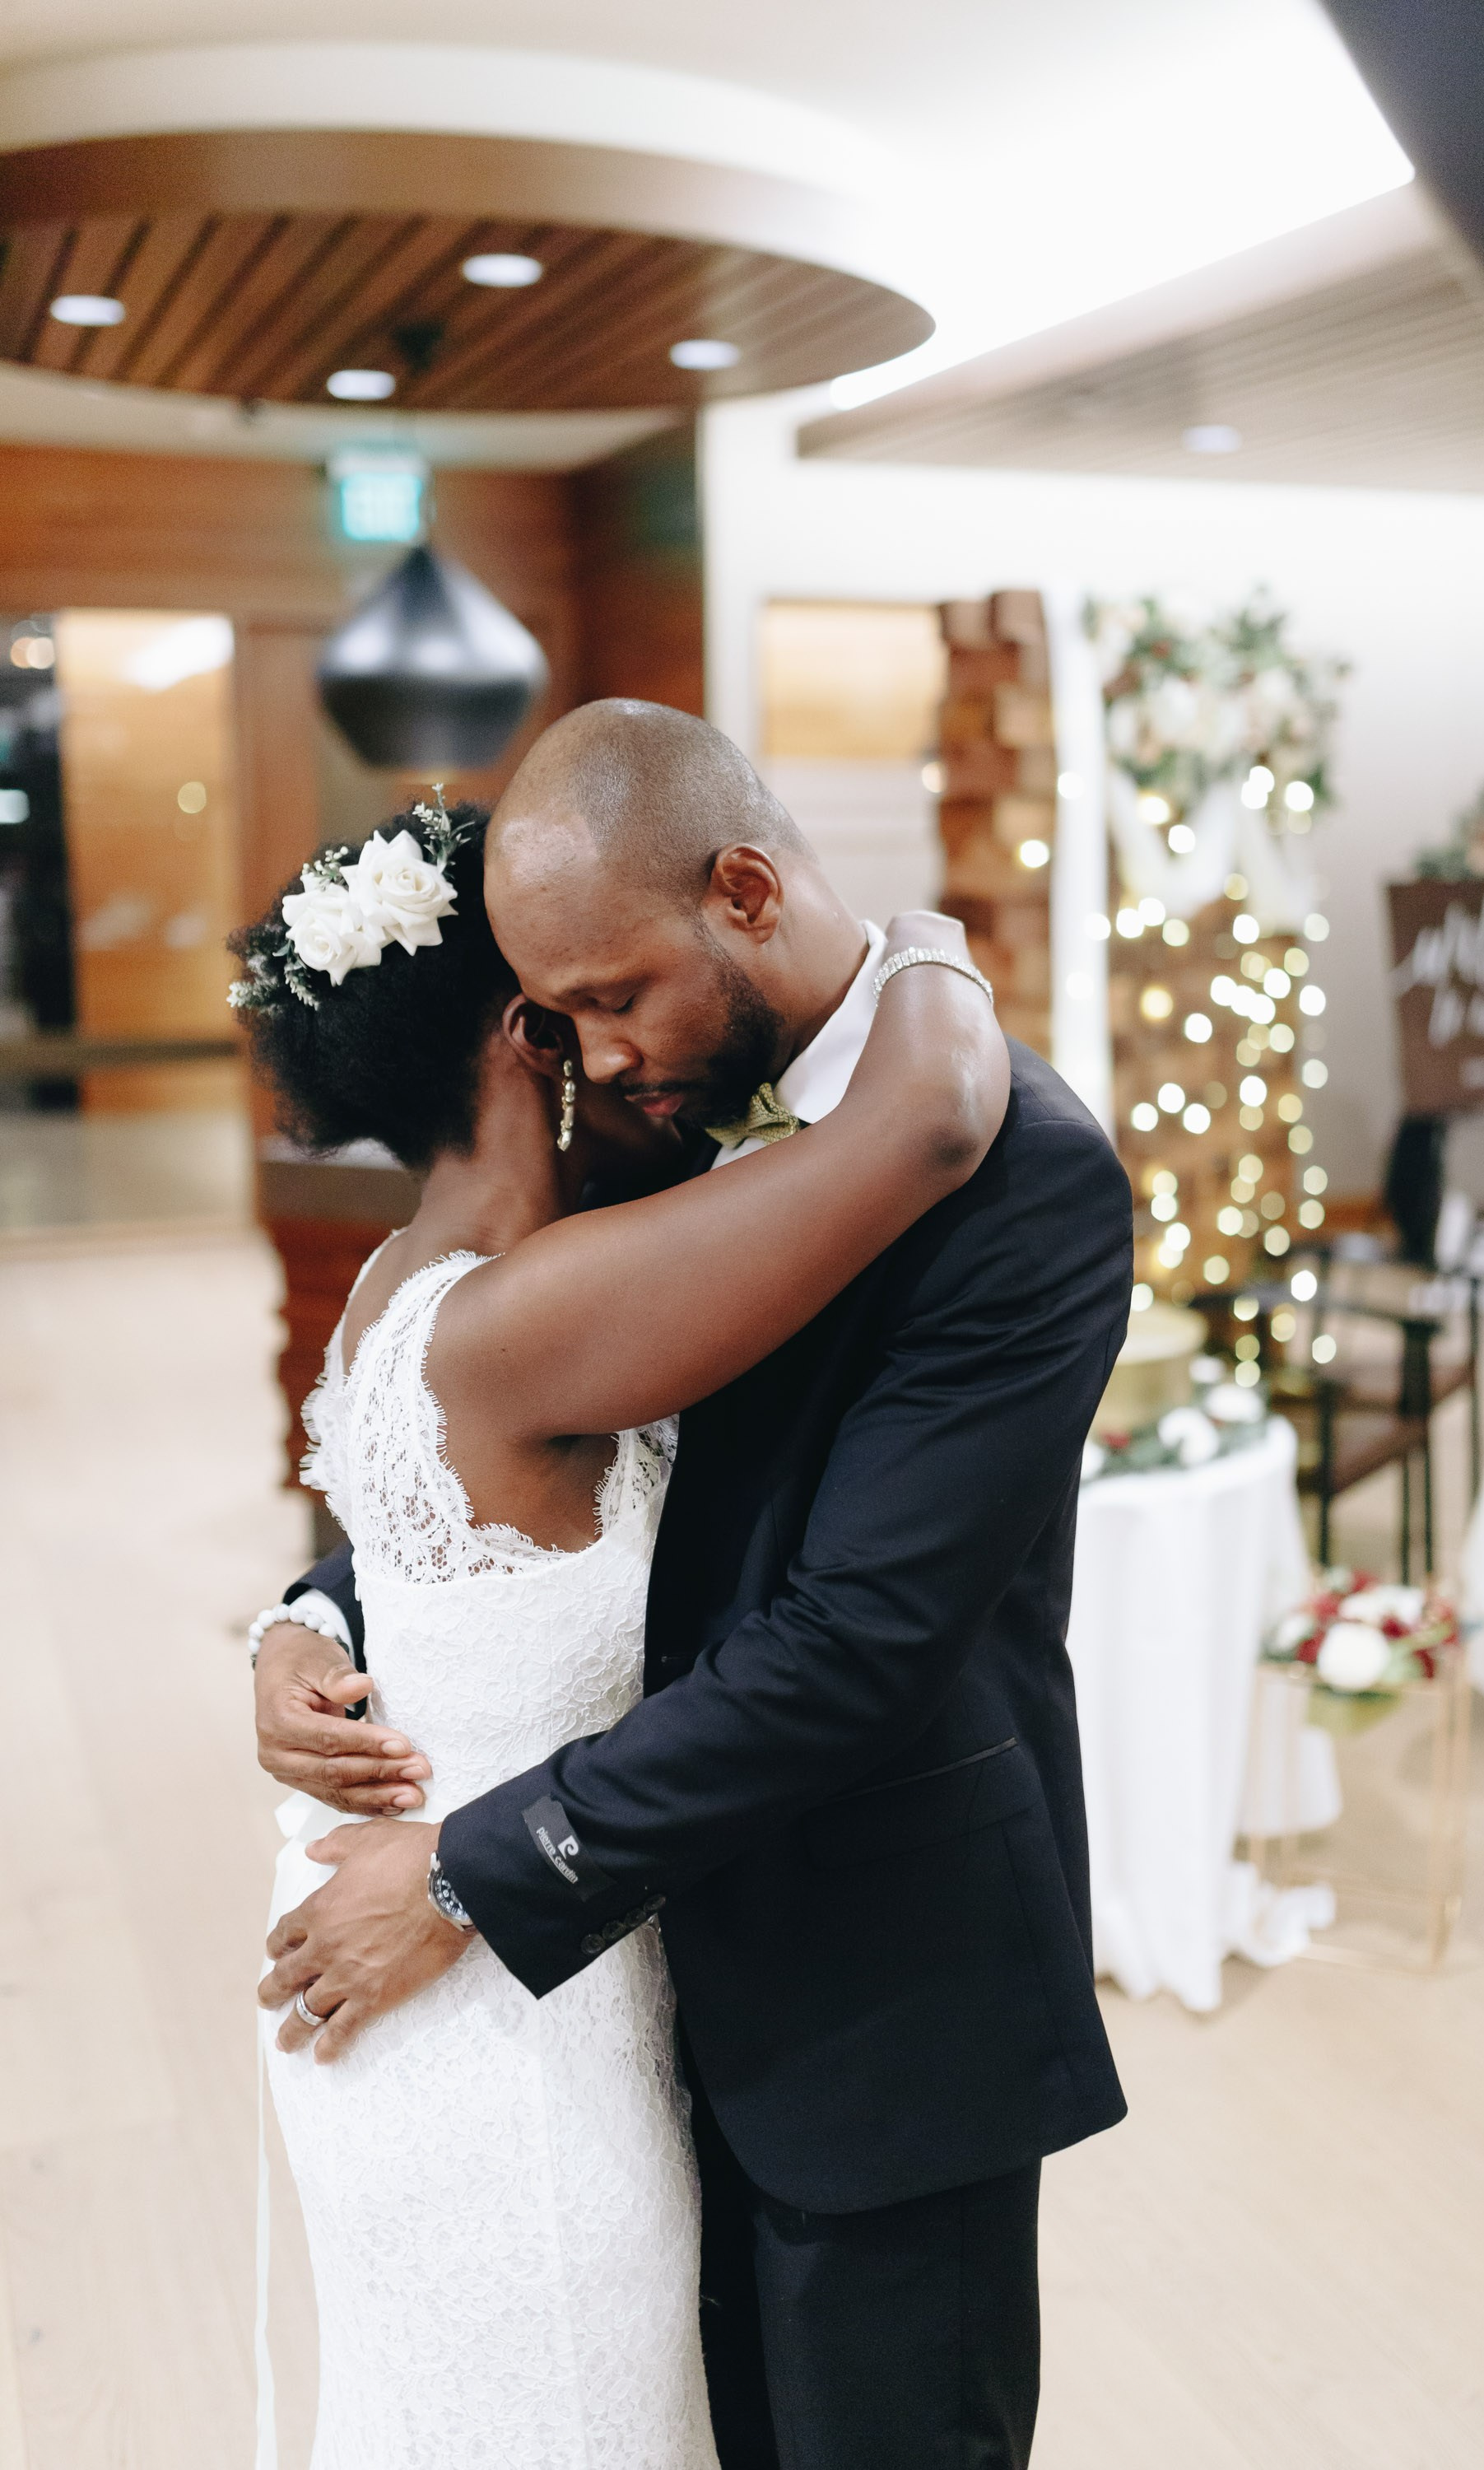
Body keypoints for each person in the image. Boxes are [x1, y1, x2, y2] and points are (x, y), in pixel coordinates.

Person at [254, 701, 1134, 2470]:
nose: (596, 1052)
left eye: (613, 997)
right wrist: (319, 1615)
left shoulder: (1011, 1166)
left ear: (743, 889)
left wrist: (476, 1871)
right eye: (558, 1014)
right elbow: (522, 1505)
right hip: (628, 2007)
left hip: (865, 1999)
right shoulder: (658, 1157)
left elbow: (854, 1643)